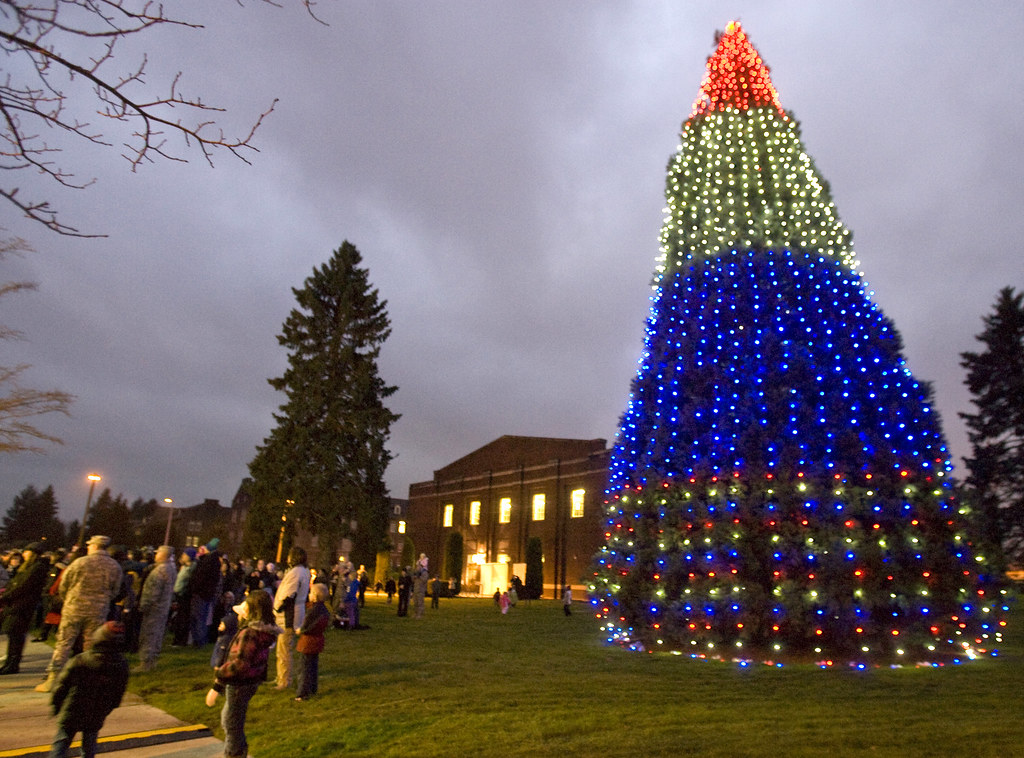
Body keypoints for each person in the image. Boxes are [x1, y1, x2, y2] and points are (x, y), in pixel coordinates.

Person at [37, 536, 123, 693]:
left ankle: (53, 678)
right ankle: (85, 679)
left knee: (64, 642)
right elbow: (115, 590)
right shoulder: (114, 566)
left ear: (94, 546)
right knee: (90, 645)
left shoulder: (80, 562)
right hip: (98, 610)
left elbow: (64, 585)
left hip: (74, 608)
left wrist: (69, 599)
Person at [205, 590, 282, 758]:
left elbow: (240, 664)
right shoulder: (261, 632)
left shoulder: (250, 633)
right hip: (249, 682)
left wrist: (220, 675)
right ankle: (239, 750)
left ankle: (234, 753)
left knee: (232, 722)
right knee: (231, 718)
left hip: (240, 683)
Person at [48, 621, 130, 758]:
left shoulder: (81, 660)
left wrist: (56, 705)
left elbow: (61, 686)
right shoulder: (121, 665)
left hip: (72, 709)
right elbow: (118, 694)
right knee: (89, 744)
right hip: (97, 712)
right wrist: (106, 709)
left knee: (61, 742)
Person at [0, 542, 50, 674]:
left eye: (27, 551)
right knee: (13, 633)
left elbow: (22, 586)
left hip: (22, 605)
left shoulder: (37, 568)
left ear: (33, 553)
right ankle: (10, 662)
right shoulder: (29, 566)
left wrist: (6, 597)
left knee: (16, 633)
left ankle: (13, 663)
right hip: (17, 603)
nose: (24, 554)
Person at [272, 546, 310, 690]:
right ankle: (283, 676)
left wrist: (277, 608)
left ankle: (284, 680)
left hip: (289, 615)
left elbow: (288, 595)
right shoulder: (304, 571)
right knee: (285, 647)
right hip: (296, 611)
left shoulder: (296, 572)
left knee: (284, 648)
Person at [134, 545, 177, 672]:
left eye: (158, 553)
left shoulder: (160, 571)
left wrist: (144, 605)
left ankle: (145, 662)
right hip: (163, 607)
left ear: (163, 555)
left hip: (154, 608)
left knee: (149, 634)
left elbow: (153, 592)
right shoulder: (170, 569)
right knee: (157, 634)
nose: (155, 556)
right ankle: (152, 661)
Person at [294, 583, 330, 701]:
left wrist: (300, 630)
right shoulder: (324, 610)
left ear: (314, 596)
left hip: (308, 642)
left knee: (304, 668)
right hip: (317, 641)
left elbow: (307, 625)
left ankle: (302, 693)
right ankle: (312, 688)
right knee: (313, 666)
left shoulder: (313, 610)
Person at [188, 539, 223, 646]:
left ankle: (199, 641)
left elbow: (201, 578)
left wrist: (194, 588)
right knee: (200, 617)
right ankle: (199, 640)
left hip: (201, 593)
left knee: (199, 618)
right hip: (205, 593)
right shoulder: (213, 561)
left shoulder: (208, 562)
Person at [170, 548, 195, 646]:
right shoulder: (184, 567)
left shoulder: (191, 568)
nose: (182, 556)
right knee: (179, 617)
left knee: (183, 618)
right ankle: (177, 639)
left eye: (185, 555)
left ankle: (181, 640)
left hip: (184, 595)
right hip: (179, 594)